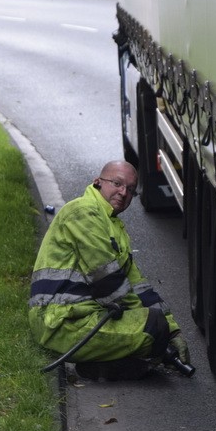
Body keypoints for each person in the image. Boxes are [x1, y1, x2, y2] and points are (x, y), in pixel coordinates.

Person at [28, 160, 191, 379]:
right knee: (153, 328)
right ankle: (106, 363)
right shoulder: (82, 212)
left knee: (157, 326)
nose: (123, 192)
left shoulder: (113, 226)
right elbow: (108, 283)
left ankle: (105, 364)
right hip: (59, 323)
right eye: (117, 183)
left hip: (80, 317)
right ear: (98, 182)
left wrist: (173, 330)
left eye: (130, 189)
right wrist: (157, 328)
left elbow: (138, 286)